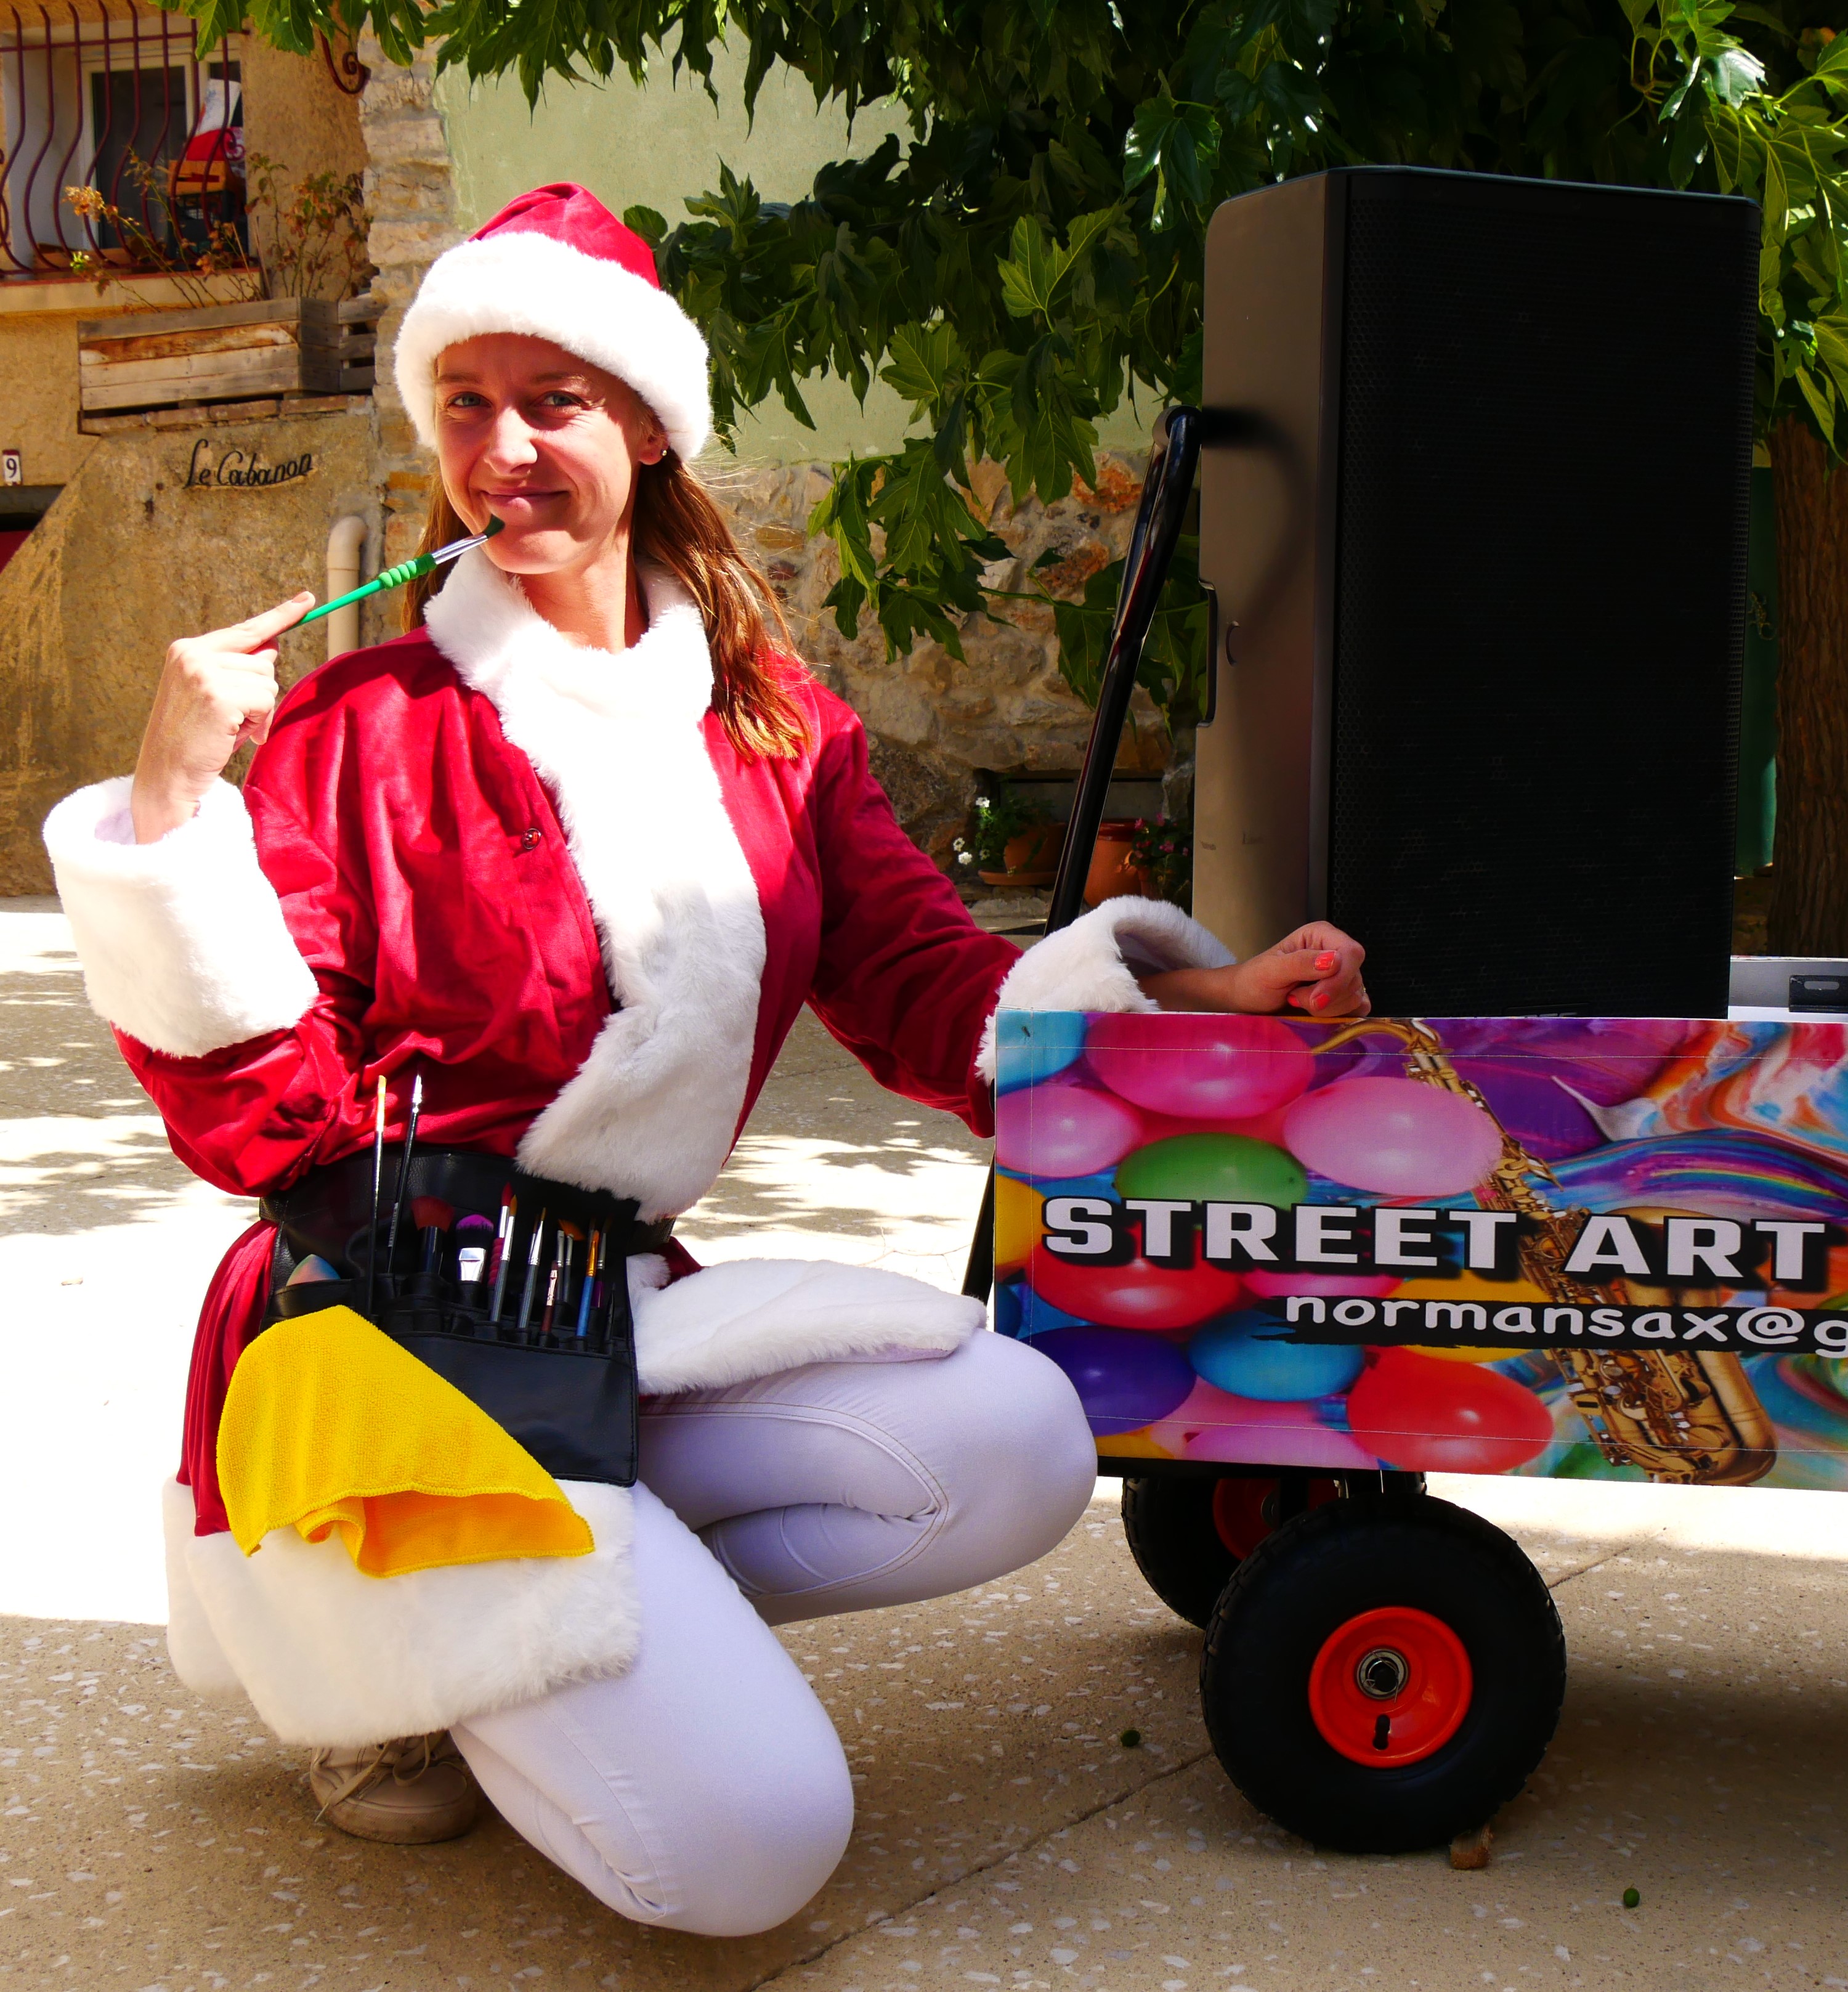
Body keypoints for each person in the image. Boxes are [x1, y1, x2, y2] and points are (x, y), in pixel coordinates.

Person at [43, 183, 1368, 1939]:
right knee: (750, 1852)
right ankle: (399, 1672)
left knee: (1017, 1436)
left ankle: (581, 1626)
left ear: (651, 423)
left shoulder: (774, 727)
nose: (499, 449)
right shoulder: (356, 735)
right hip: (391, 1340)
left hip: (610, 1305)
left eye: (552, 402)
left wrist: (1204, 1001)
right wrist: (171, 817)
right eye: (463, 403)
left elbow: (923, 986)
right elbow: (263, 1129)